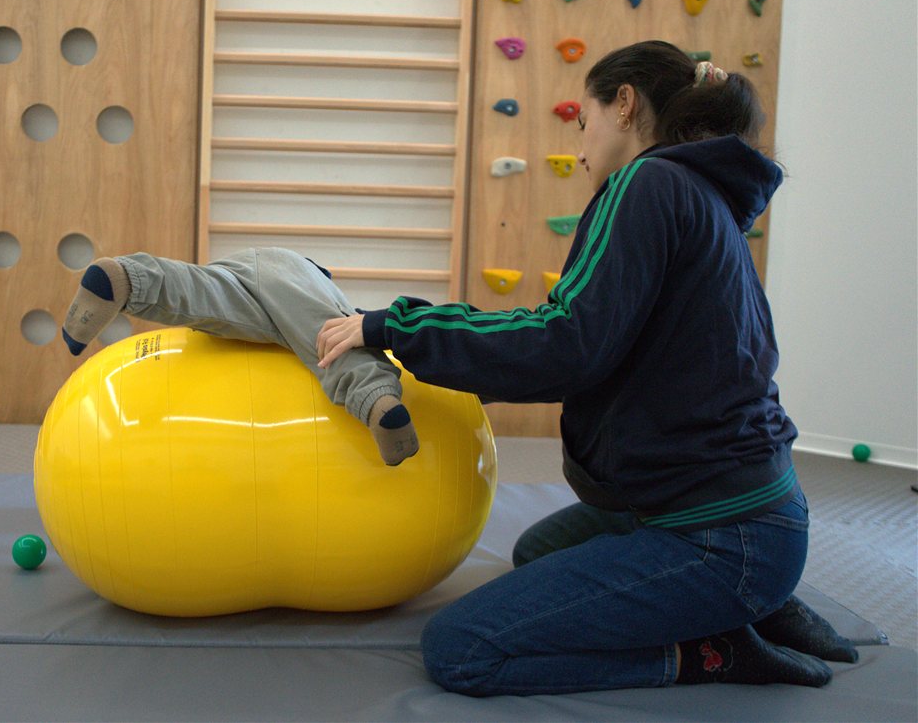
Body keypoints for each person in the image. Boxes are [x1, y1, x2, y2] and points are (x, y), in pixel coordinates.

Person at [315, 40, 860, 696]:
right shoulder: (698, 191)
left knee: (463, 650)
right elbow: (593, 344)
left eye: (584, 121)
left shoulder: (649, 183)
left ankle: (715, 650)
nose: (579, 147)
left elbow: (565, 343)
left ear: (624, 104)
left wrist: (395, 326)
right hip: (739, 512)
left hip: (724, 533)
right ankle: (759, 600)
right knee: (540, 552)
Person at [60, 247, 419, 466]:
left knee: (202, 295)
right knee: (329, 336)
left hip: (239, 266)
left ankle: (128, 278)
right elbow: (341, 329)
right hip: (301, 271)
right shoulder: (318, 287)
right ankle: (375, 399)